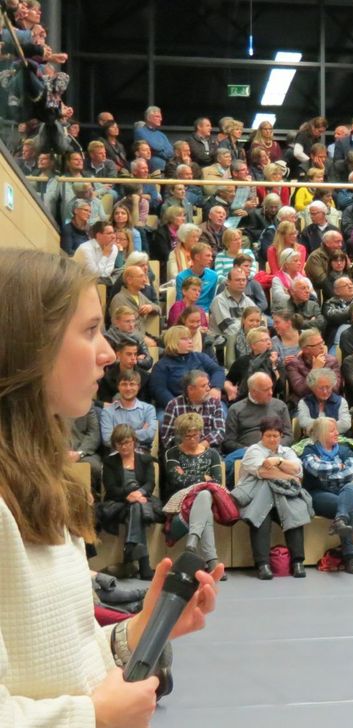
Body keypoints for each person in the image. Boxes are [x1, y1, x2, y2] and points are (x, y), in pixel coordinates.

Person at [0, 250, 221, 723]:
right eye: (89, 331)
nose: (105, 353)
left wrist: (140, 629)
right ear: (28, 345)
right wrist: (92, 715)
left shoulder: (34, 479)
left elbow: (54, 660)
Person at [233, 417, 314, 579]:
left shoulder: (286, 451)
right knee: (261, 517)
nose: (272, 439)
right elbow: (264, 472)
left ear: (281, 436)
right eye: (268, 435)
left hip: (282, 497)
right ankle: (262, 564)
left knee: (294, 513)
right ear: (261, 435)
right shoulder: (254, 451)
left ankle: (298, 562)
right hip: (256, 497)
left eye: (275, 436)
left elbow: (297, 469)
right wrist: (289, 477)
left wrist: (279, 461)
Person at [99, 424, 164, 579]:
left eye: (127, 442)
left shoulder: (146, 460)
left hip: (143, 500)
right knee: (136, 507)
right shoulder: (109, 462)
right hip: (119, 504)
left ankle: (130, 552)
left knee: (136, 507)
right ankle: (144, 566)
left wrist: (139, 493)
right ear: (115, 445)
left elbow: (150, 484)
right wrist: (128, 495)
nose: (124, 446)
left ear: (134, 441)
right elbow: (111, 488)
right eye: (120, 443)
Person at [301, 417, 353, 574]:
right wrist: (339, 466)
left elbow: (352, 473)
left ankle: (340, 519)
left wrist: (327, 473)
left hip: (343, 493)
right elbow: (315, 469)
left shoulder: (345, 449)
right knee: (349, 507)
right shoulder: (309, 450)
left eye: (336, 430)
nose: (337, 433)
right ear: (321, 433)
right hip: (319, 494)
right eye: (332, 431)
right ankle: (350, 557)